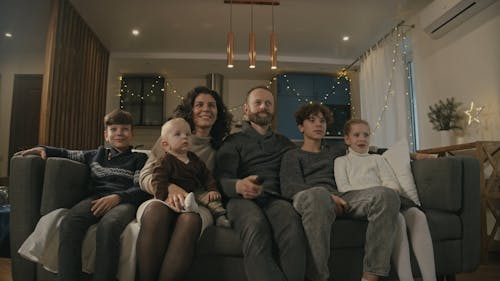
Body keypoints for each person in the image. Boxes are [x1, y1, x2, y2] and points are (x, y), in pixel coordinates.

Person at [14, 109, 150, 281]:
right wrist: (42, 148)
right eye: (113, 129)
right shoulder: (96, 154)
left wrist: (118, 198)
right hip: (96, 198)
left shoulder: (139, 159)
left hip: (123, 202)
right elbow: (66, 153)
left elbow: (141, 188)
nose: (119, 133)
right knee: (70, 222)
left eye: (124, 129)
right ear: (106, 134)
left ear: (131, 134)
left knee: (109, 226)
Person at [280, 103, 401, 281]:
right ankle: (318, 278)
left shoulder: (335, 152)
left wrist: (414, 155)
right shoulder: (292, 155)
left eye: (322, 121)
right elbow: (290, 187)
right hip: (310, 197)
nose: (318, 124)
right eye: (312, 121)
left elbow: (368, 150)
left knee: (386, 195)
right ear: (301, 127)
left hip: (342, 198)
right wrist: (329, 197)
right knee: (319, 195)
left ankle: (371, 275)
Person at [136, 86, 232, 281]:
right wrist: (169, 188)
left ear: (218, 113)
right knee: (156, 211)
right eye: (199, 105)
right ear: (190, 110)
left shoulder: (222, 147)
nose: (206, 109)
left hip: (197, 203)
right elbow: (145, 175)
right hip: (161, 196)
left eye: (212, 105)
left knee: (190, 220)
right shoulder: (170, 136)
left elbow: (213, 183)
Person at [215, 86, 307, 281]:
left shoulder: (284, 143)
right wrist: (238, 185)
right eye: (258, 103)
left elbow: (302, 168)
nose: (263, 107)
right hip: (241, 200)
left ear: (273, 109)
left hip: (275, 199)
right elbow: (221, 178)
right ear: (246, 110)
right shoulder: (232, 141)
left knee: (292, 226)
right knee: (256, 226)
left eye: (268, 103)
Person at [334, 119, 436, 281]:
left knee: (419, 216)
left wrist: (390, 191)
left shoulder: (378, 159)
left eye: (366, 135)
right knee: (398, 220)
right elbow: (344, 189)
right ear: (347, 139)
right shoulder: (341, 162)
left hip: (391, 198)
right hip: (368, 202)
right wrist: (374, 194)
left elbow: (390, 182)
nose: (362, 139)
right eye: (356, 135)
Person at [151, 117, 230, 227]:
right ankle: (187, 206)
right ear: (166, 144)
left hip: (196, 191)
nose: (184, 137)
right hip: (177, 194)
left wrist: (212, 189)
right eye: (178, 134)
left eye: (187, 134)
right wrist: (162, 196)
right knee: (174, 203)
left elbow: (206, 175)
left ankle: (220, 216)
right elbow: (158, 179)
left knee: (212, 200)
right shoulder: (165, 161)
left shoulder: (194, 159)